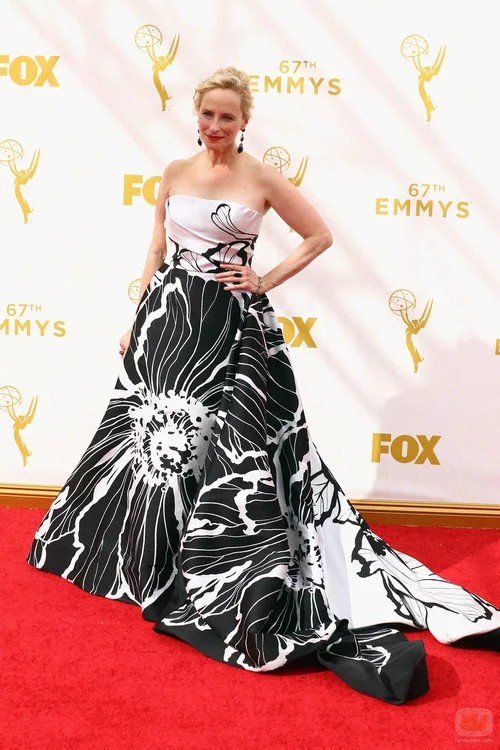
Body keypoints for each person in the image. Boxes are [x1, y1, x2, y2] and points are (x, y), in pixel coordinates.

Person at [27, 66, 499, 705]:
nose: (215, 125)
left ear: (245, 121)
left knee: (228, 447)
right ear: (196, 115)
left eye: (227, 116)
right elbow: (157, 248)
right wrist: (138, 316)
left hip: (230, 325)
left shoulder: (262, 178)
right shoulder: (173, 172)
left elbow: (319, 236)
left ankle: (212, 562)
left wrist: (262, 281)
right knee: (158, 441)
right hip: (169, 318)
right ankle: (147, 560)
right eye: (207, 114)